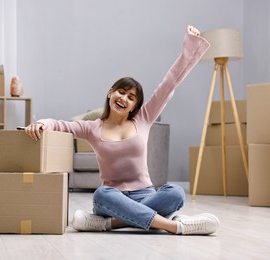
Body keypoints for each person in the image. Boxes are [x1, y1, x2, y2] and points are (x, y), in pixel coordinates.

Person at [24, 25, 220, 235]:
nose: (124, 98)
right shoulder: (92, 128)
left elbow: (169, 83)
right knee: (101, 194)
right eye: (121, 92)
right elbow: (62, 125)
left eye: (131, 97)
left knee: (176, 193)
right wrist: (42, 123)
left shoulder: (143, 119)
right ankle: (174, 226)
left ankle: (109, 223)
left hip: (145, 195)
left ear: (135, 106)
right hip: (112, 198)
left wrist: (190, 46)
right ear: (110, 93)